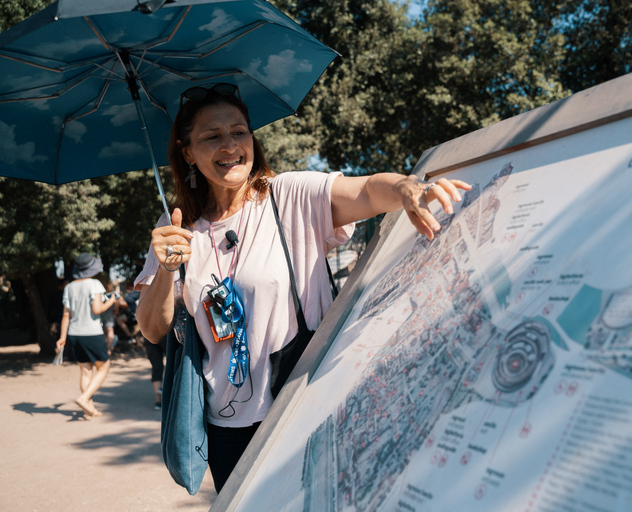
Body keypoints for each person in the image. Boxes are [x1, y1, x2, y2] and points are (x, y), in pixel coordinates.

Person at [134, 82, 471, 492]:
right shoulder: (174, 229)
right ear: (187, 151)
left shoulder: (287, 195)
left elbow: (365, 191)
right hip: (226, 428)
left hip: (302, 407)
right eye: (212, 136)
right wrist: (168, 268)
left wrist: (407, 188)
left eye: (239, 131)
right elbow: (152, 329)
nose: (230, 145)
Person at [56, 252, 120, 419]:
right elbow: (97, 309)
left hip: (74, 334)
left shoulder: (69, 287)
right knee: (104, 366)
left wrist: (62, 337)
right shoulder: (94, 284)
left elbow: (65, 315)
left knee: (85, 371)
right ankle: (84, 398)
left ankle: (88, 408)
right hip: (91, 332)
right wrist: (111, 301)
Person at [101, 282, 119, 355]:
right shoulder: (113, 295)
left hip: (104, 314)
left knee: (106, 332)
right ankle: (108, 349)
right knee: (108, 331)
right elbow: (116, 309)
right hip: (107, 315)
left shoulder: (101, 294)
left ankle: (107, 349)